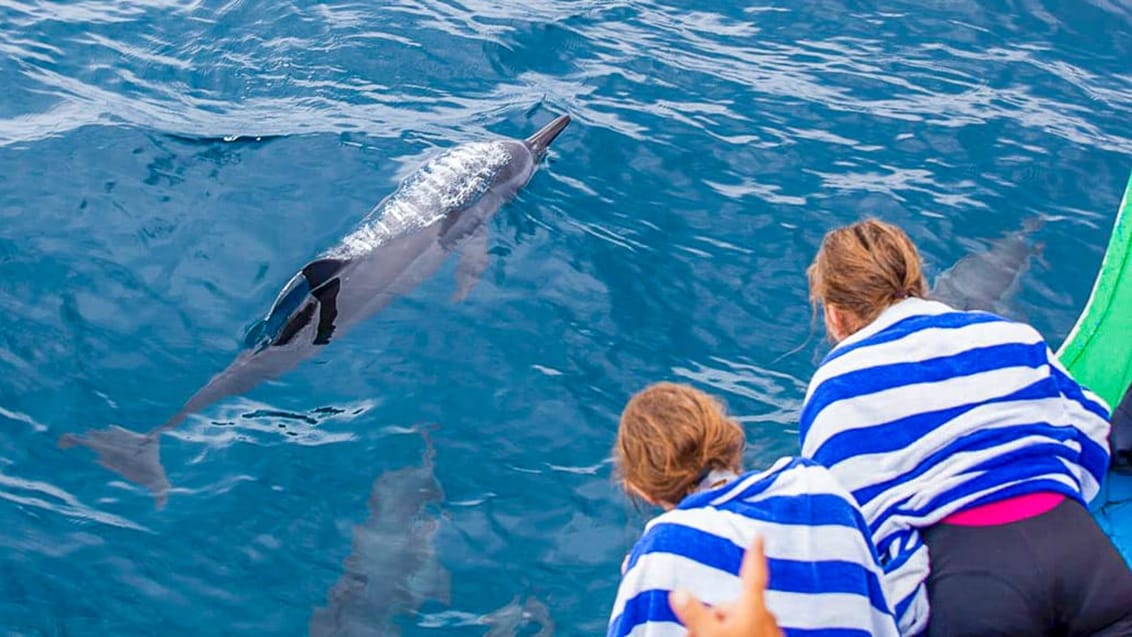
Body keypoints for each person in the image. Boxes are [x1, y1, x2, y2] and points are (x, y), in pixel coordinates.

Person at [801, 218, 1132, 635]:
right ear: (916, 278)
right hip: (1082, 556)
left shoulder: (834, 387)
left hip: (975, 586)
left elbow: (848, 537)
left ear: (833, 314)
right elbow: (1092, 431)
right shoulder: (1007, 333)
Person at [607, 382, 899, 637]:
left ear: (640, 489)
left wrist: (642, 573)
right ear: (730, 438)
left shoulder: (662, 553)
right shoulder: (815, 484)